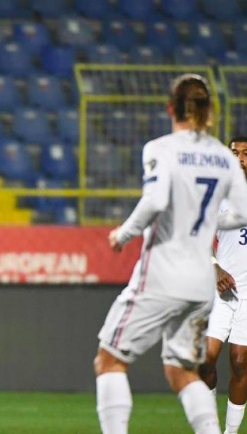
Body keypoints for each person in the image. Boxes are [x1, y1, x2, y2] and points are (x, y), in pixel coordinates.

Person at [95, 74, 247, 434]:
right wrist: (209, 219)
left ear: (169, 108)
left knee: (110, 360)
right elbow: (240, 214)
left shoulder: (160, 148)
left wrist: (124, 233)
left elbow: (156, 201)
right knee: (182, 369)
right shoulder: (222, 161)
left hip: (164, 271)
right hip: (199, 283)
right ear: (210, 111)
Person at [199, 136, 247, 434]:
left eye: (246, 153)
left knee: (240, 361)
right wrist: (215, 268)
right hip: (223, 288)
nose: (240, 157)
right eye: (234, 153)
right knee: (205, 360)